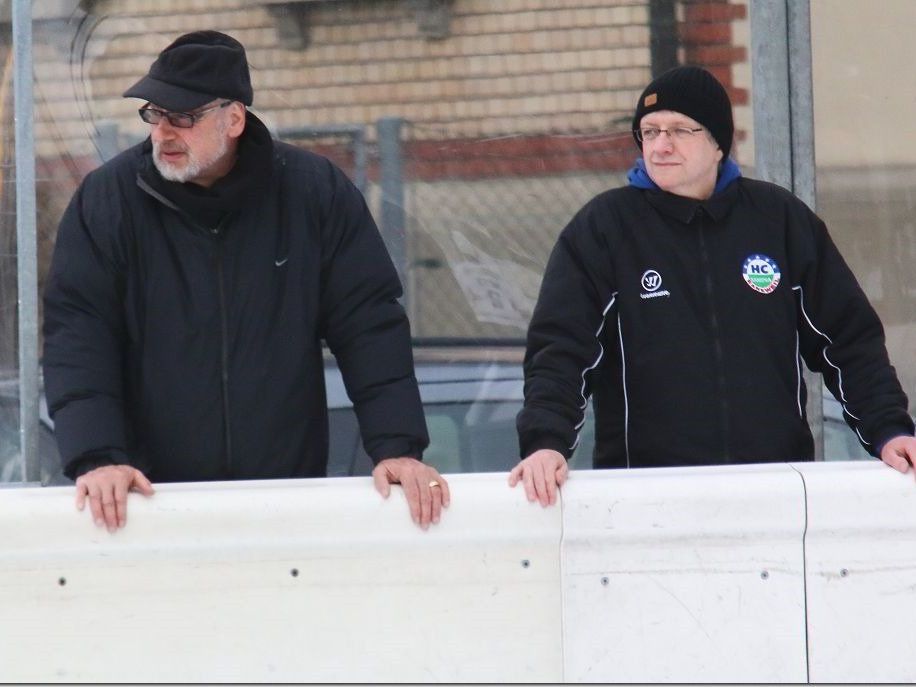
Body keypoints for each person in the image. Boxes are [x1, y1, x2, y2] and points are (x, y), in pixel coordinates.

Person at [43, 31, 449, 531]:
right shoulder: (108, 201)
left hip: (284, 500)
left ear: (233, 119)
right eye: (154, 113)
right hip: (148, 504)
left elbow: (369, 323)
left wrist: (398, 448)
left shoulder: (312, 194)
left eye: (183, 117)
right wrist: (97, 456)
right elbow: (79, 334)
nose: (164, 132)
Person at [510, 65, 916, 505]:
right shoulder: (604, 230)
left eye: (680, 130)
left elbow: (848, 339)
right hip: (645, 499)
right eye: (649, 132)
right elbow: (561, 351)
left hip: (775, 490)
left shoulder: (778, 220)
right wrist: (545, 442)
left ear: (718, 142)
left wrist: (889, 430)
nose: (661, 145)